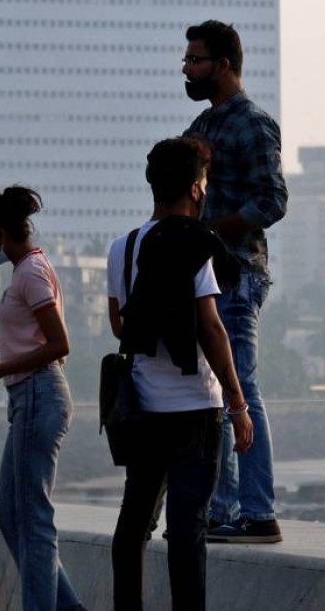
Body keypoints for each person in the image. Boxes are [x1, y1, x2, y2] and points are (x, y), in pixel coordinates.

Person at [107, 137, 255, 611]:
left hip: (145, 408)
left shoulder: (123, 246)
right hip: (196, 411)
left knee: (134, 524)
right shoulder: (197, 244)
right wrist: (237, 402)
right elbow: (211, 329)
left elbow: (119, 325)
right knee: (187, 530)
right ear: (196, 188)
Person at [180, 20, 288, 544]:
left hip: (238, 272)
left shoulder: (252, 124)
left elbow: (273, 201)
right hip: (205, 277)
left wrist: (212, 228)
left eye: (195, 60)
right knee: (216, 397)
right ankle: (222, 512)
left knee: (240, 391)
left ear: (223, 65)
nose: (186, 68)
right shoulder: (203, 125)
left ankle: (259, 511)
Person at [0, 187, 86, 611]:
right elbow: (31, 337)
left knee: (32, 520)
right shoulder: (27, 270)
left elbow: (59, 344)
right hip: (29, 396)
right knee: (11, 516)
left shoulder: (30, 273)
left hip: (38, 393)